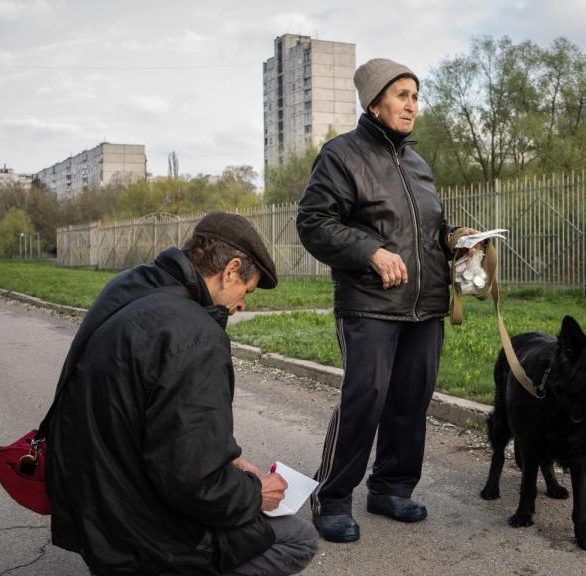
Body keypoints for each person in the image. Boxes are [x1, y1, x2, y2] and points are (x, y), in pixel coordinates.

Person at [47, 212, 318, 575]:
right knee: (297, 538)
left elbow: (149, 418)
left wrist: (226, 462)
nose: (242, 306)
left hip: (92, 504)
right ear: (231, 270)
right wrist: (255, 492)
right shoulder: (194, 334)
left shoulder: (130, 287)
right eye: (246, 290)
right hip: (135, 531)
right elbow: (195, 483)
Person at [296, 58, 476, 543]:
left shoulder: (418, 165)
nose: (412, 105)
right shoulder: (341, 155)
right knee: (365, 399)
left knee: (411, 401)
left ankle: (391, 488)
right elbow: (313, 223)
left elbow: (426, 230)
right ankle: (331, 497)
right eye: (401, 95)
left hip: (426, 305)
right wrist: (370, 251)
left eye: (415, 96)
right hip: (369, 302)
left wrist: (457, 236)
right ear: (374, 102)